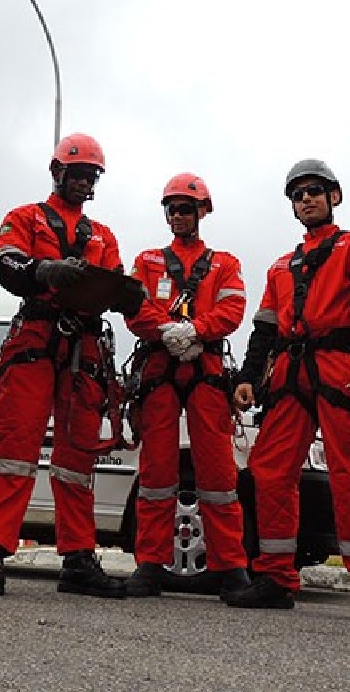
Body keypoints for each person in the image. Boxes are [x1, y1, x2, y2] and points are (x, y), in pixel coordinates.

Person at [0, 133, 139, 598]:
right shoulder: (24, 218)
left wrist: (128, 297)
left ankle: (79, 556)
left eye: (90, 175)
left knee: (78, 456)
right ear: (57, 172)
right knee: (14, 448)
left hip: (84, 347)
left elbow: (114, 283)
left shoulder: (104, 235)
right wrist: (44, 271)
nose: (83, 181)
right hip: (36, 340)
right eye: (77, 173)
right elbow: (7, 268)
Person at [227, 159, 350, 620]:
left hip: (339, 367)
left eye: (315, 191)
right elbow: (263, 329)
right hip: (288, 373)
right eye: (298, 195)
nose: (306, 200)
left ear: (333, 196)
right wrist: (246, 377)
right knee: (269, 471)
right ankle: (275, 577)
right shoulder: (282, 266)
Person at [122, 173, 250, 600]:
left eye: (186, 208)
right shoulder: (147, 261)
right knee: (156, 471)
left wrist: (193, 331)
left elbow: (232, 308)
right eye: (172, 208)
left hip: (206, 370)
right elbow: (134, 308)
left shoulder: (223, 263)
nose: (178, 215)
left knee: (218, 473)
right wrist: (166, 332)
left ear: (202, 212)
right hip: (159, 368)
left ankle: (230, 565)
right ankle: (149, 564)